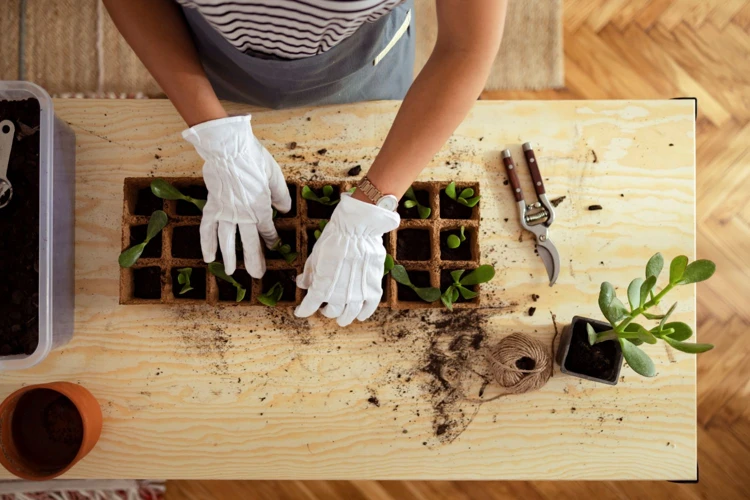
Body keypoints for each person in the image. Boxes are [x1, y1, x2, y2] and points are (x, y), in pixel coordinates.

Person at [104, 0, 507, 326]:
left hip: (361, 64)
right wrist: (216, 134)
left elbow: (466, 46)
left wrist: (372, 201)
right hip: (209, 56)